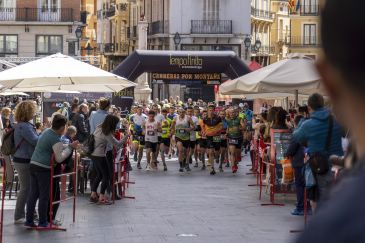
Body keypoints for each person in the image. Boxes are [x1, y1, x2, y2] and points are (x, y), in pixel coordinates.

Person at [294, 1, 365, 242]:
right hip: (336, 168)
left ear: (327, 80)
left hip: (319, 168)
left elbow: (296, 139)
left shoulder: (335, 229)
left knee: (317, 199)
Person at [25, 114, 79, 228]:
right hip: (43, 168)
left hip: (34, 164)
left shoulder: (47, 132)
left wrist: (66, 147)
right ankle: (43, 222)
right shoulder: (55, 137)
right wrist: (70, 147)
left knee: (33, 194)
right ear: (62, 127)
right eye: (65, 127)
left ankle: (29, 220)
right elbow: (59, 158)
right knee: (45, 196)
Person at [293, 93, 343, 208]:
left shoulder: (307, 124)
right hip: (337, 165)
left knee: (316, 197)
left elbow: (297, 137)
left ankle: (320, 221)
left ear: (309, 107)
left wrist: (300, 122)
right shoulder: (335, 122)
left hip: (318, 165)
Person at [90, 115, 128, 204]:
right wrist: (126, 136)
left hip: (93, 154)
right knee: (106, 176)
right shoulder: (106, 133)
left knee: (99, 175)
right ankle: (102, 198)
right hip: (100, 155)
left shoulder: (99, 126)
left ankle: (93, 194)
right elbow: (117, 144)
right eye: (116, 124)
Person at [12, 101, 40, 224]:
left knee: (29, 188)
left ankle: (31, 213)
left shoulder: (22, 125)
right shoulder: (24, 126)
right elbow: (35, 141)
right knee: (26, 189)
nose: (34, 113)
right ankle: (18, 215)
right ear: (29, 112)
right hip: (24, 161)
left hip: (22, 160)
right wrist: (44, 134)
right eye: (33, 111)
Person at [285, 115, 306, 216]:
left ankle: (301, 207)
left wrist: (287, 153)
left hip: (299, 162)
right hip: (309, 161)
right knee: (307, 185)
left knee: (300, 185)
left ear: (296, 123)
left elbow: (291, 149)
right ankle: (308, 206)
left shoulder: (297, 133)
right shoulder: (309, 131)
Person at [171, 108, 194, 172]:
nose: (181, 113)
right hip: (178, 137)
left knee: (186, 152)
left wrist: (189, 129)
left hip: (186, 137)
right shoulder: (175, 118)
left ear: (185, 112)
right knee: (181, 150)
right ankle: (181, 166)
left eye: (183, 112)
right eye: (180, 112)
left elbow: (193, 126)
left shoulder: (188, 118)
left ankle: (186, 164)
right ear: (178, 113)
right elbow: (172, 126)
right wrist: (172, 131)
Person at [203, 104, 223, 175]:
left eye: (212, 110)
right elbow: (203, 127)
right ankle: (212, 168)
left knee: (217, 152)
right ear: (208, 110)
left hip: (216, 136)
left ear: (214, 111)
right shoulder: (205, 119)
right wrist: (204, 133)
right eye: (209, 110)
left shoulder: (218, 118)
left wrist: (216, 131)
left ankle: (217, 157)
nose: (211, 112)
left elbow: (221, 126)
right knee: (211, 151)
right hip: (209, 136)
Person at [226, 108, 245, 173]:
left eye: (233, 112)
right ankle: (233, 166)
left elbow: (243, 127)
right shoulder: (227, 120)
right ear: (229, 113)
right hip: (231, 137)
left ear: (235, 113)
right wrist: (226, 132)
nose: (232, 114)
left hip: (239, 137)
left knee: (237, 152)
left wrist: (241, 127)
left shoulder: (239, 119)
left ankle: (237, 160)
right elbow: (226, 128)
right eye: (230, 113)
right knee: (232, 152)